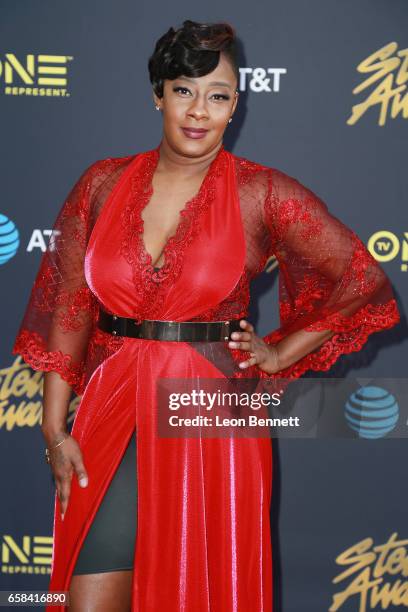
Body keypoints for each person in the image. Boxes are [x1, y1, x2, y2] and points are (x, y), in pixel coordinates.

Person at [12, 19, 400, 612]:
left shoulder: (261, 193)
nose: (199, 111)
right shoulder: (102, 182)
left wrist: (278, 352)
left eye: (218, 95)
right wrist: (54, 428)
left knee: (201, 587)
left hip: (210, 411)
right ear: (158, 94)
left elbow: (360, 280)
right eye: (185, 90)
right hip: (111, 403)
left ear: (235, 105)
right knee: (89, 593)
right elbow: (69, 309)